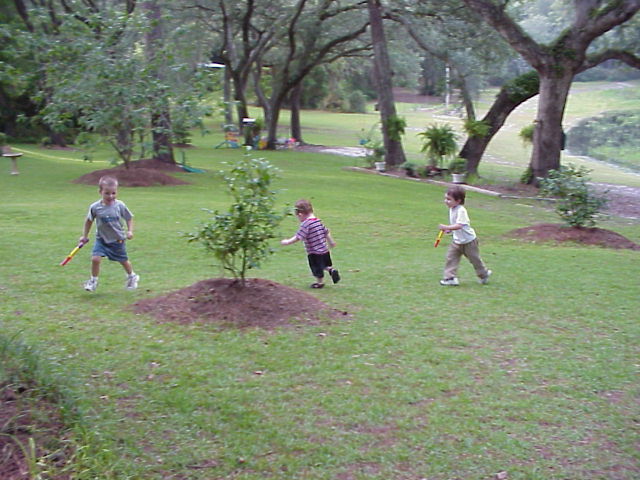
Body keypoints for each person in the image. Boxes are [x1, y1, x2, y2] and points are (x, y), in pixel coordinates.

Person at [80, 175, 139, 292]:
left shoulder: (120, 205)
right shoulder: (95, 207)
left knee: (123, 260)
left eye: (113, 193)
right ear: (100, 192)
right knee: (95, 259)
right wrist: (84, 236)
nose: (111, 196)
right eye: (107, 193)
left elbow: (129, 218)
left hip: (117, 240)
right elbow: (89, 221)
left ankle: (132, 276)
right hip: (101, 239)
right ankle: (93, 281)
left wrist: (130, 231)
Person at [438, 186, 491, 286]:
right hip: (457, 241)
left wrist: (446, 227)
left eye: (449, 199)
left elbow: (460, 225)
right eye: (445, 198)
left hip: (469, 242)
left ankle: (483, 274)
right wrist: (449, 229)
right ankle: (450, 278)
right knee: (451, 258)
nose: (446, 201)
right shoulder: (452, 209)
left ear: (458, 201)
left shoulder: (461, 210)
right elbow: (455, 225)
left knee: (474, 259)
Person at [281, 199, 340, 289]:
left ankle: (319, 283)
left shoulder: (306, 224)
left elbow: (298, 237)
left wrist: (287, 242)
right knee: (324, 265)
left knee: (317, 268)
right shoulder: (318, 221)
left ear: (300, 214)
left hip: (314, 252)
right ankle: (331, 270)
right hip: (324, 250)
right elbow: (326, 232)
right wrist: (331, 242)